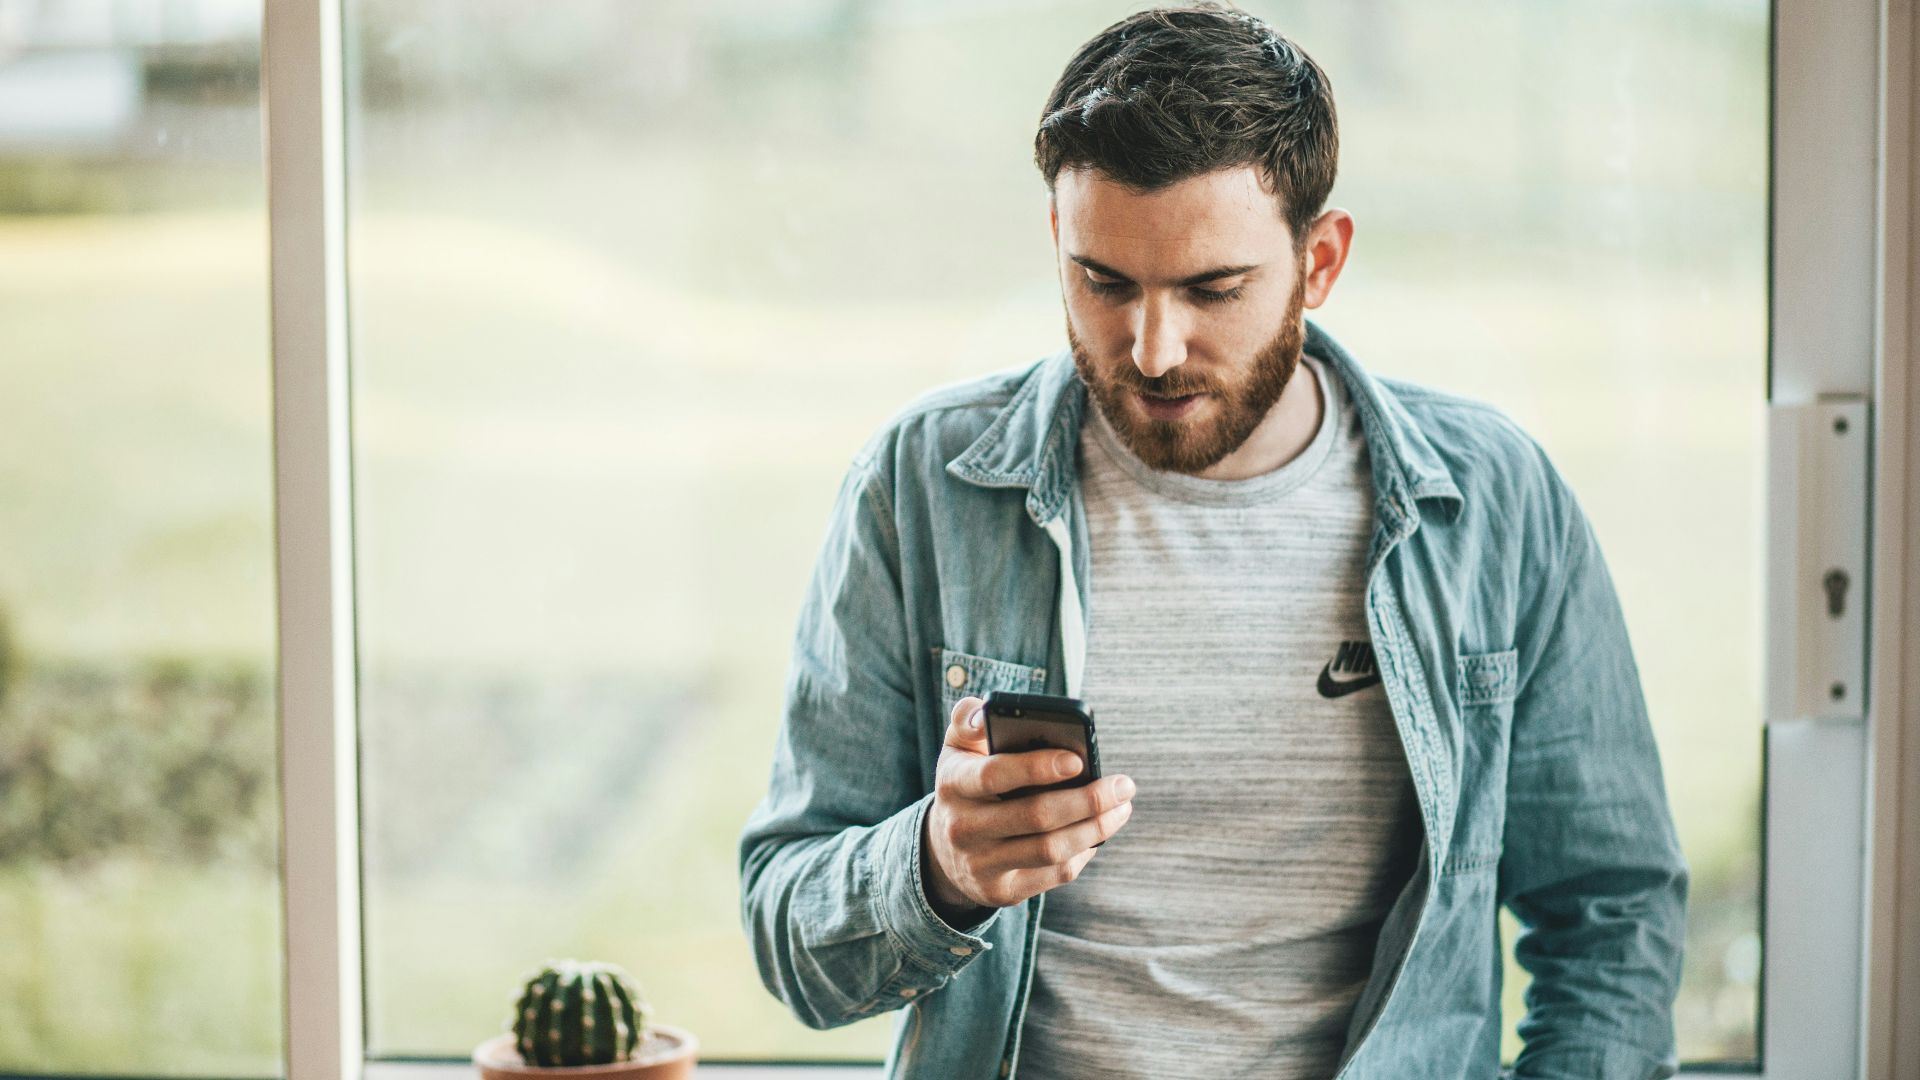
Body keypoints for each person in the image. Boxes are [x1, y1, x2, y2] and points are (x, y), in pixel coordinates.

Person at [738, 4, 1689, 1078]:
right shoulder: (920, 488)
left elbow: (1611, 915)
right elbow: (791, 937)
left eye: (1212, 289)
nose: (1151, 349)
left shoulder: (1496, 504)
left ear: (1319, 261)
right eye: (1104, 282)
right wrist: (938, 865)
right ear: (1058, 239)